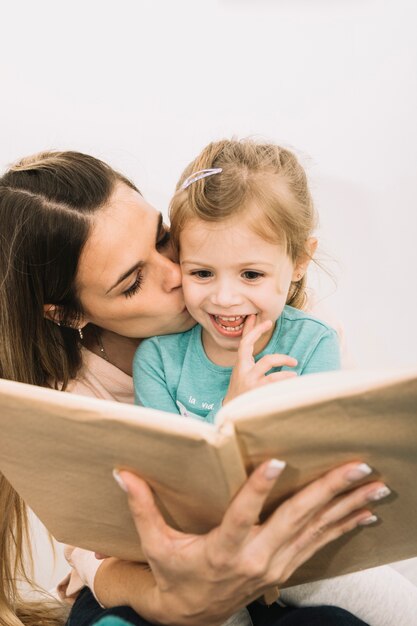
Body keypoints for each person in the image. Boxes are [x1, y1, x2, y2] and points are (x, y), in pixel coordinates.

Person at [0, 150, 391, 626]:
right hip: (153, 586)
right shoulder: (68, 397)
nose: (177, 275)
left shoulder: (293, 328)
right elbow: (97, 557)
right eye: (132, 282)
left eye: (164, 240)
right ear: (69, 314)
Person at [133, 139, 340, 421]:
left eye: (251, 275)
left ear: (300, 262)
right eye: (202, 273)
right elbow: (166, 461)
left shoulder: (313, 344)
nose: (225, 298)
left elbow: (320, 448)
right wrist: (230, 406)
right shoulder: (157, 360)